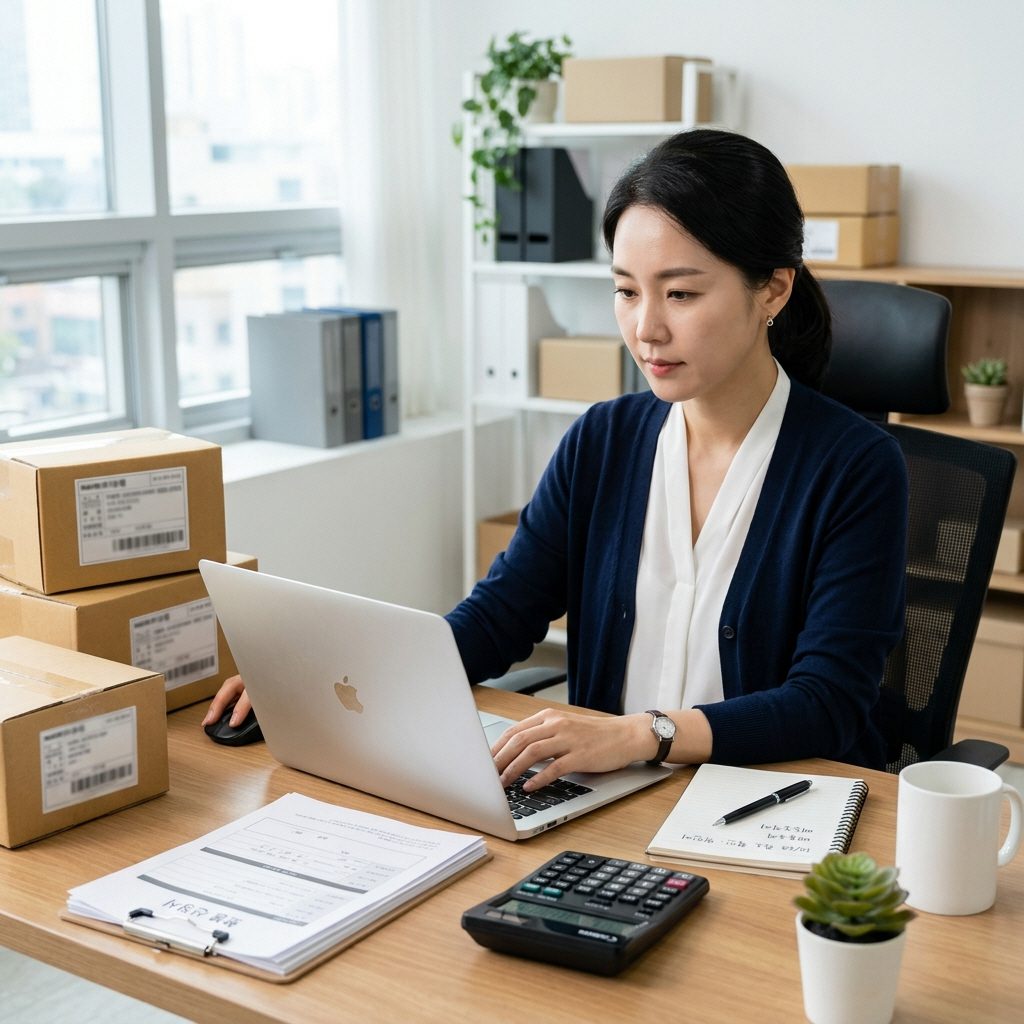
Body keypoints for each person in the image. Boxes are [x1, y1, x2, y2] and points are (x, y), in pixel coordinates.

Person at [205, 128, 908, 793]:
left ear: (773, 291)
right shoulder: (603, 442)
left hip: (772, 806)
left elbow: (827, 704)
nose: (646, 327)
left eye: (681, 293)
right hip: (609, 798)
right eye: (627, 290)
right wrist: (324, 680)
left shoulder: (856, 466)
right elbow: (497, 619)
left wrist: (643, 735)